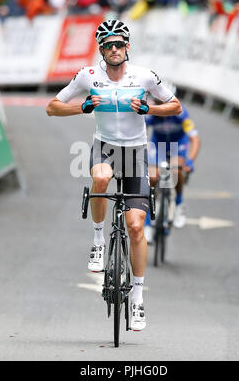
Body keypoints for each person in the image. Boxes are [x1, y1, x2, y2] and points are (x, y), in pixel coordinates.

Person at [46, 19, 182, 331]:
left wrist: (149, 109)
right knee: (102, 179)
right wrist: (82, 107)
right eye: (108, 45)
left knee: (136, 228)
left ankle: (137, 297)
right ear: (101, 50)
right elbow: (52, 107)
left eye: (119, 43)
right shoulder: (88, 75)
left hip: (136, 151)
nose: (114, 49)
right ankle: (97, 241)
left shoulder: (144, 76)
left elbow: (175, 106)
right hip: (104, 147)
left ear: (127, 47)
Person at [144, 97, 200, 240]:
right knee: (153, 177)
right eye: (157, 103)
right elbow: (139, 133)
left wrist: (190, 160)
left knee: (176, 171)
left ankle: (179, 204)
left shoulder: (181, 113)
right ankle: (147, 224)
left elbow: (195, 139)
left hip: (178, 145)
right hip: (158, 145)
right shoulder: (151, 113)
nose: (160, 106)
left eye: (163, 103)